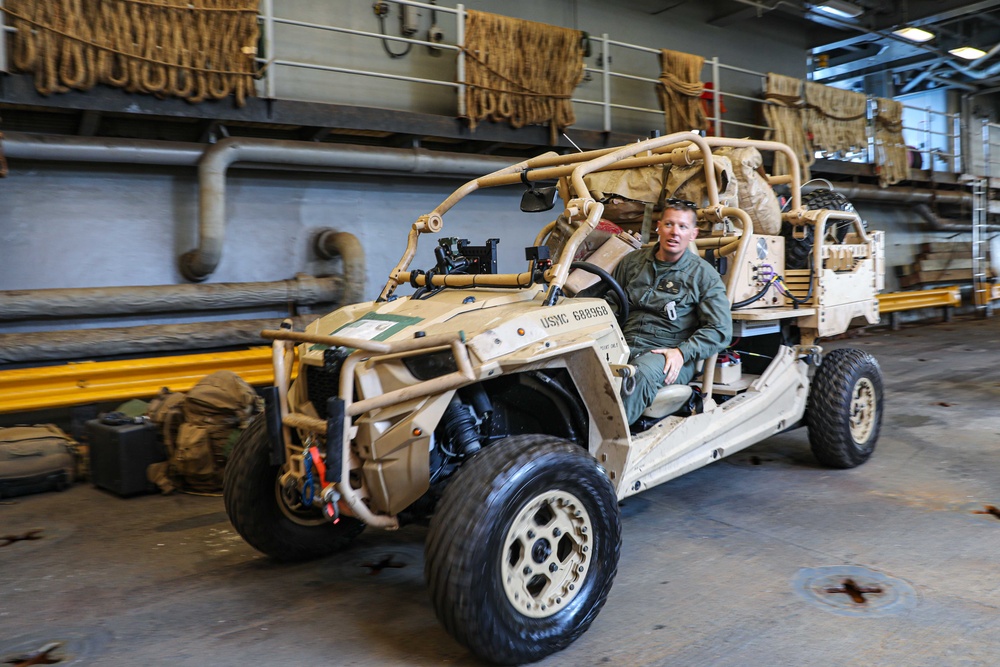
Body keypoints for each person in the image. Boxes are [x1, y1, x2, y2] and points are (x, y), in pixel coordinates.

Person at [611, 198, 732, 425]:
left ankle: (603, 447)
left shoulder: (703, 275)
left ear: (693, 234)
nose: (674, 232)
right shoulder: (631, 263)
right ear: (659, 226)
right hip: (623, 344)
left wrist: (681, 352)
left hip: (667, 355)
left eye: (682, 227)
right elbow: (611, 305)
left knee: (637, 376)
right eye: (669, 224)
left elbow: (720, 330)